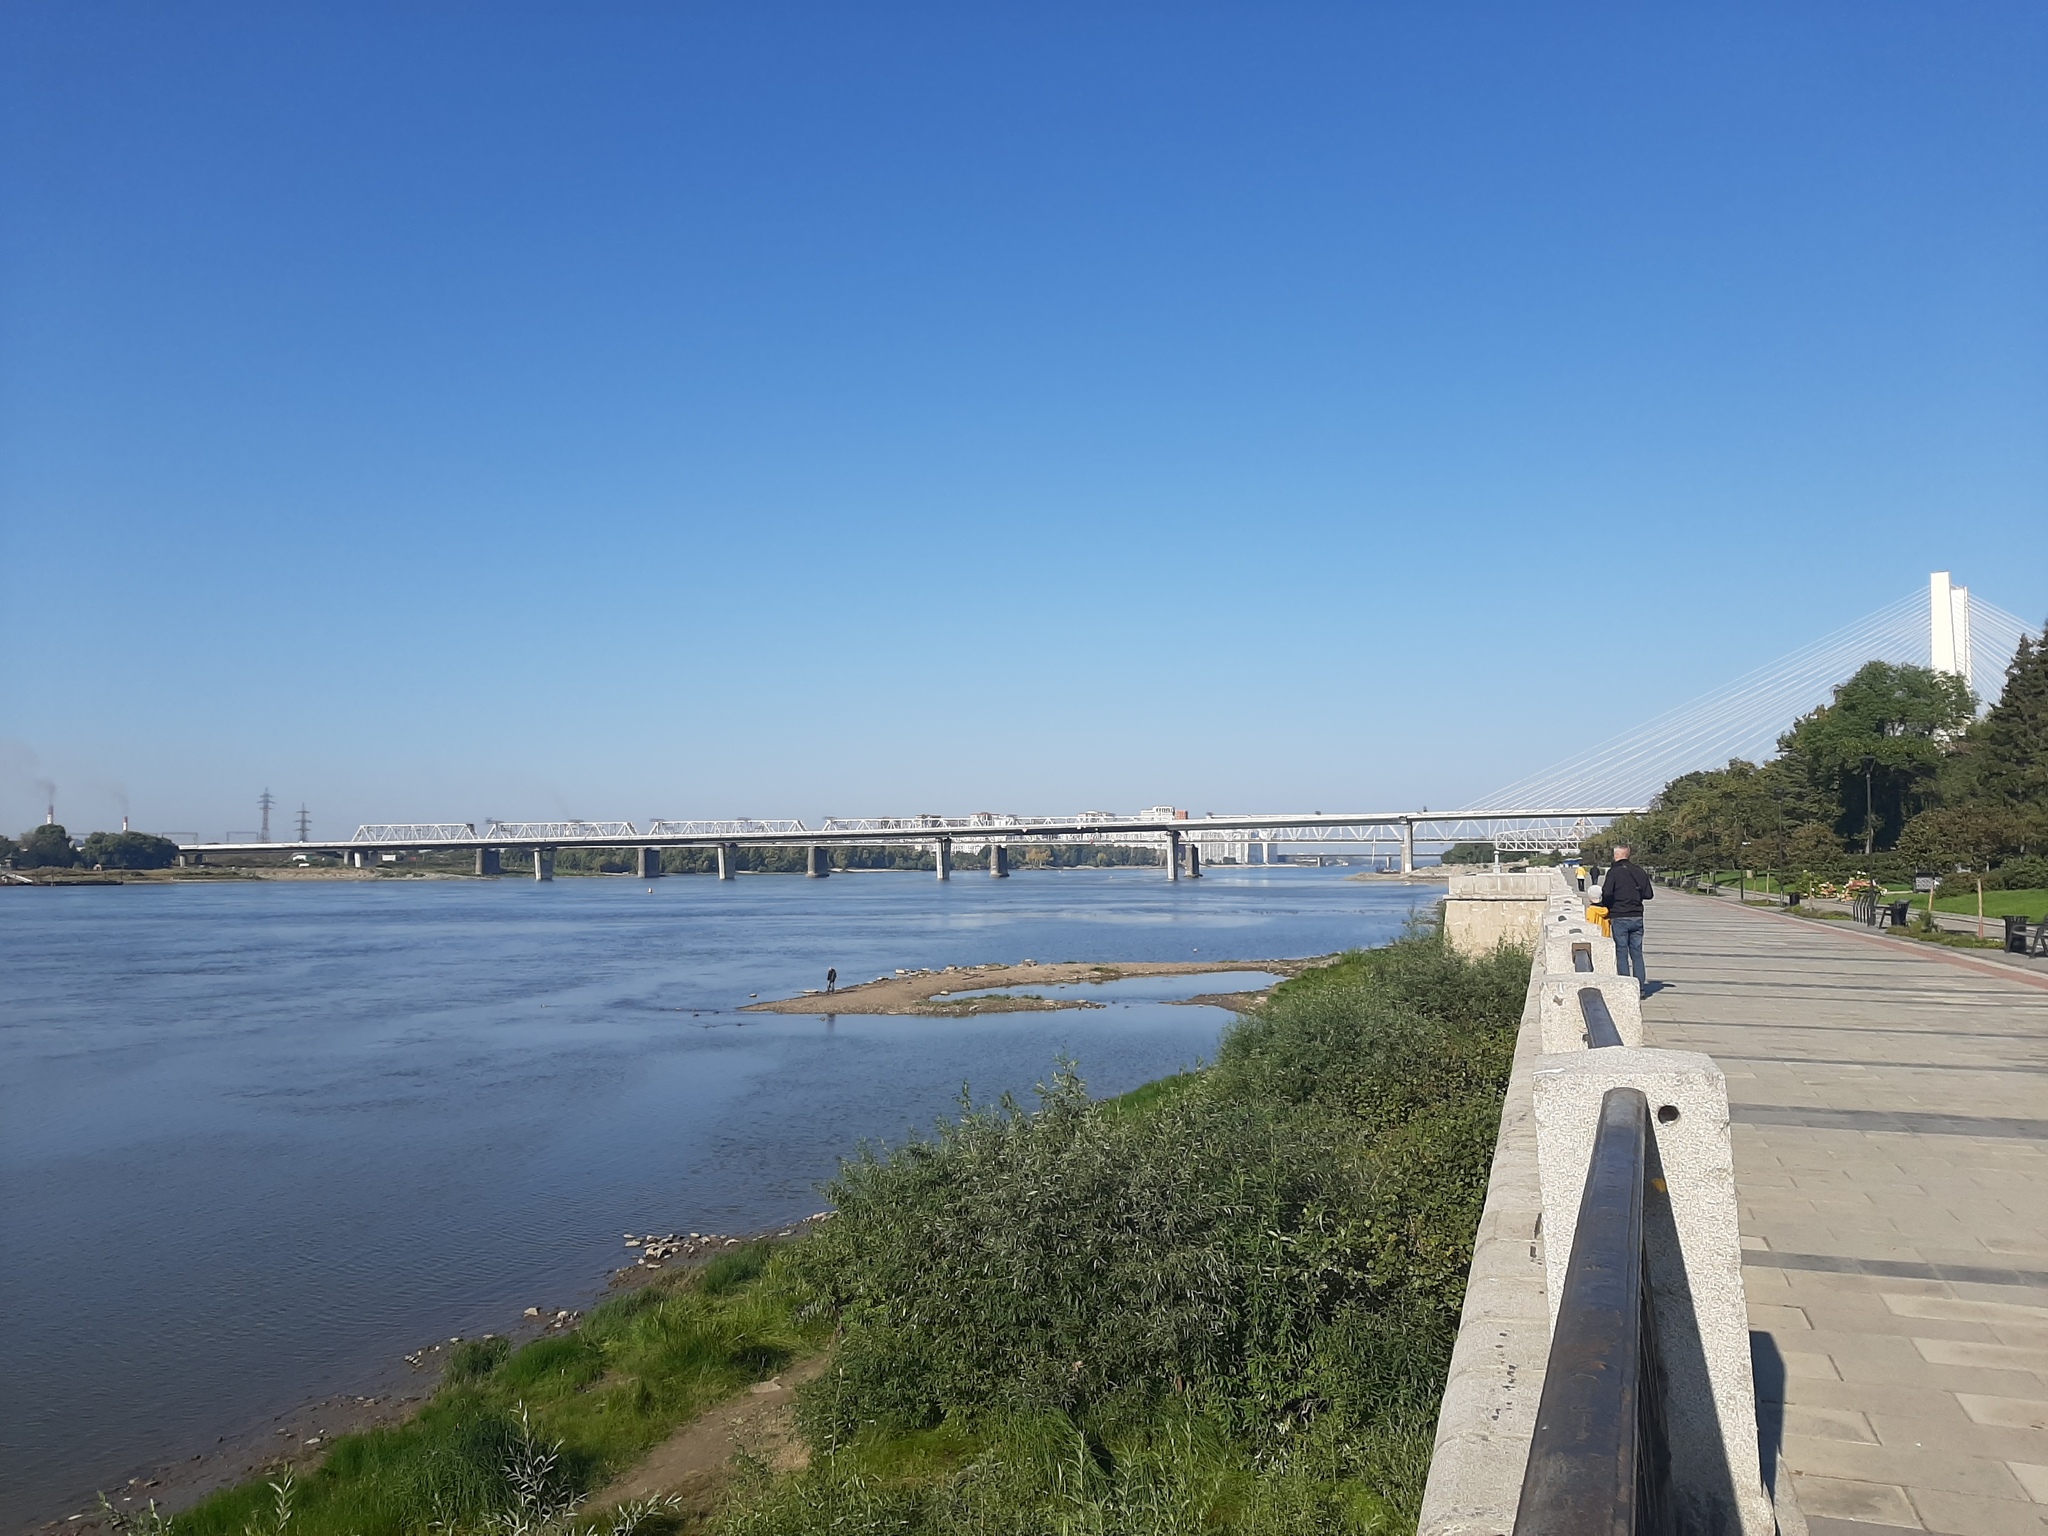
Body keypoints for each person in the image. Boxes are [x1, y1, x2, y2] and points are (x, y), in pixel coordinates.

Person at [1597, 844, 1653, 994]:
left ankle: (1625, 986)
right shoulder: (1639, 871)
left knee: (1621, 952)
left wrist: (1609, 906)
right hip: (1637, 917)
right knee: (1637, 953)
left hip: (1619, 916)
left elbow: (1607, 893)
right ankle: (1639, 987)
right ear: (1628, 854)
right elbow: (1649, 894)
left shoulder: (1613, 873)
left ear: (1616, 855)